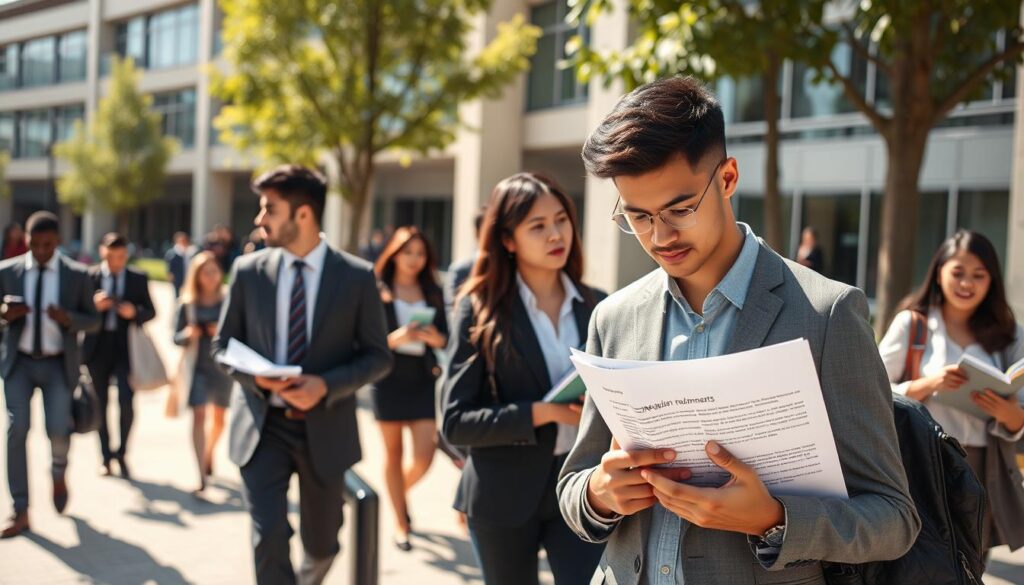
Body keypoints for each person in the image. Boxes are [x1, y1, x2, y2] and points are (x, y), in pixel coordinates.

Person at [556, 77, 919, 584]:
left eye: (680, 209)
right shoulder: (614, 317)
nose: (660, 236)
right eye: (637, 216)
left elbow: (894, 519)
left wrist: (774, 519)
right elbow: (573, 484)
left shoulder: (827, 313)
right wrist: (598, 493)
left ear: (727, 178)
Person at [212, 164, 392, 585]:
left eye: (268, 209)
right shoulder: (247, 271)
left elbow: (379, 357)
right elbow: (221, 348)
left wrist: (325, 385)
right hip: (261, 427)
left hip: (326, 431)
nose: (259, 220)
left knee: (323, 544)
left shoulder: (357, 277)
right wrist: (259, 379)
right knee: (268, 536)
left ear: (303, 215)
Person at [442, 172, 606, 585]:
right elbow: (456, 421)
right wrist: (544, 412)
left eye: (562, 220)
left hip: (585, 487)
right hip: (501, 496)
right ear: (508, 239)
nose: (556, 234)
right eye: (538, 226)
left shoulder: (600, 307)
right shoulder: (478, 311)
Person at [878, 229, 1024, 554]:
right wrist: (930, 384)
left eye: (978, 275)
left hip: (983, 466)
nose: (966, 284)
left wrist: (1009, 414)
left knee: (972, 557)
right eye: (958, 273)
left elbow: (1020, 416)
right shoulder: (912, 324)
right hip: (920, 457)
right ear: (939, 272)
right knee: (919, 557)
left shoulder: (1010, 335)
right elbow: (872, 391)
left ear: (992, 281)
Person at [0, 211, 99, 538]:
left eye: (47, 245)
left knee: (58, 430)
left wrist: (68, 318)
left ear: (57, 243)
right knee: (18, 429)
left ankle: (58, 472)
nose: (41, 250)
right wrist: (4, 315)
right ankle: (21, 509)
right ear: (25, 241)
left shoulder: (77, 275)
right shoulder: (7, 272)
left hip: (58, 365)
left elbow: (93, 320)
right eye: (34, 244)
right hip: (20, 364)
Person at [370, 227, 449, 551]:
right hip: (387, 378)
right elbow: (367, 342)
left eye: (420, 253)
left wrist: (436, 339)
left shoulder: (432, 290)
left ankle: (394, 496)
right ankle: (401, 523)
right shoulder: (377, 289)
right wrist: (397, 338)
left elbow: (447, 337)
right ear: (394, 253)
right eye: (408, 252)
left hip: (420, 378)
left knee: (424, 455)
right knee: (393, 453)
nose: (414, 259)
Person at [82, 233, 157, 479]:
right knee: (100, 403)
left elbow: (151, 311)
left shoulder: (137, 278)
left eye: (122, 257)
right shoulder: (90, 276)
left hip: (126, 347)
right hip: (98, 347)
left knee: (126, 400)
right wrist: (94, 305)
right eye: (113, 256)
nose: (117, 261)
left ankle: (122, 452)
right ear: (103, 252)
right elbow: (78, 312)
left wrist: (134, 312)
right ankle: (105, 456)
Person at [173, 251, 234, 495]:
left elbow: (239, 333)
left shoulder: (228, 300)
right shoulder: (187, 303)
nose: (210, 276)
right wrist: (189, 334)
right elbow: (175, 337)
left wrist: (219, 330)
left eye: (213, 271)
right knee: (198, 416)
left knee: (219, 419)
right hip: (196, 367)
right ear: (196, 276)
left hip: (222, 369)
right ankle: (201, 475)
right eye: (205, 272)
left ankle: (209, 452)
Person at [164, 231, 197, 297]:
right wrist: (170, 274)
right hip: (178, 276)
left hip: (188, 274)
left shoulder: (191, 251)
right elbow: (169, 264)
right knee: (177, 293)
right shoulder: (173, 252)